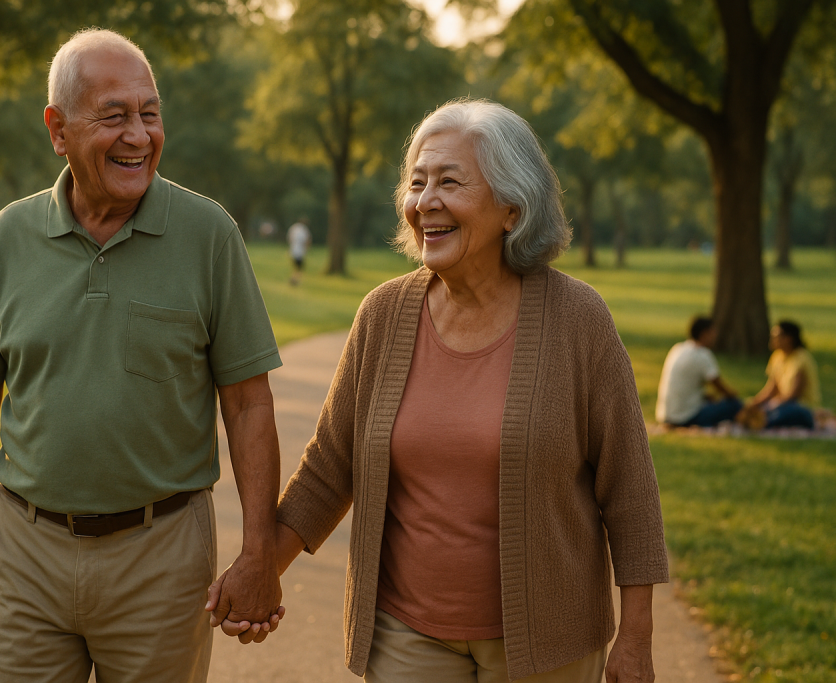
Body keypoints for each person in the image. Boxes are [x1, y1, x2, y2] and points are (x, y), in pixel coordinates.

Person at [209, 99, 669, 682]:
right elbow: (330, 469)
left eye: (450, 182)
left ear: (511, 207)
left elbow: (629, 489)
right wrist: (259, 571)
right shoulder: (383, 314)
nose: (425, 202)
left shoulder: (578, 319)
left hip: (548, 642)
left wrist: (637, 636)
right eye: (417, 182)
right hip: (406, 634)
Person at [0, 29, 285, 683]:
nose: (139, 135)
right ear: (58, 130)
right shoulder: (9, 237)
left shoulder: (210, 235)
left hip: (162, 554)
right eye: (114, 115)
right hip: (28, 548)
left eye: (150, 113)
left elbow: (249, 401)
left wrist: (259, 549)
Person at [655, 315, 742, 427]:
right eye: (713, 333)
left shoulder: (677, 349)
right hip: (685, 418)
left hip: (665, 415)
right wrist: (734, 396)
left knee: (711, 402)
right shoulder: (702, 354)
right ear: (704, 334)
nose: (715, 336)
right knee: (733, 405)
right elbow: (720, 387)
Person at [746, 320, 821, 429]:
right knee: (756, 407)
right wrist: (754, 403)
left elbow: (794, 395)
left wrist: (774, 404)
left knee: (787, 411)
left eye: (776, 336)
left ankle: (765, 423)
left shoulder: (802, 358)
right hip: (782, 403)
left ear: (788, 338)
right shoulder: (777, 357)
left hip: (801, 407)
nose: (772, 339)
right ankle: (762, 421)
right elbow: (772, 389)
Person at [287, 218, 311, 285]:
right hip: (300, 252)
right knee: (299, 268)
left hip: (293, 250)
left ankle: (293, 278)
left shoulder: (293, 228)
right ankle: (295, 280)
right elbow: (307, 240)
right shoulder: (304, 230)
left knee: (295, 267)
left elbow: (289, 238)